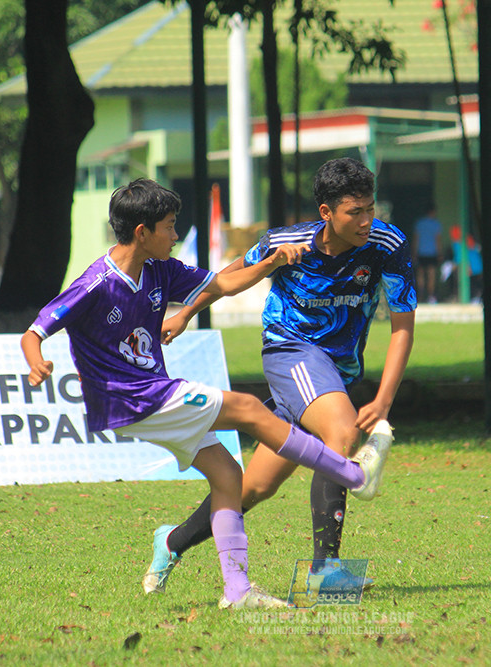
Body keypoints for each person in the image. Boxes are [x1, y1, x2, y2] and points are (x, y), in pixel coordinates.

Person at [19, 178, 392, 610]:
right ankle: (356, 477)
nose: (176, 236)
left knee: (228, 476)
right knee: (250, 408)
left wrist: (271, 262)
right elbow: (36, 330)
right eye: (170, 227)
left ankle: (235, 590)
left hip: (152, 393)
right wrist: (36, 361)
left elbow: (224, 285)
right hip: (135, 398)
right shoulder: (95, 283)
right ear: (142, 232)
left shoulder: (161, 270)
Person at [152, 157, 416, 593]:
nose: (367, 220)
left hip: (337, 371)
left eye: (371, 209)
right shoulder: (287, 241)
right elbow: (227, 277)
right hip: (290, 351)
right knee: (342, 433)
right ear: (326, 213)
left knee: (252, 487)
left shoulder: (387, 244)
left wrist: (384, 399)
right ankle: (326, 572)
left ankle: (172, 540)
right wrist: (184, 315)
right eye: (356, 212)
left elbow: (403, 326)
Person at [412, 203, 443, 303]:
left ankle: (420, 295)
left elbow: (415, 239)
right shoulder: (436, 224)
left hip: (421, 252)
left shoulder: (419, 223)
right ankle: (430, 296)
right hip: (432, 252)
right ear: (433, 212)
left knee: (420, 275)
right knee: (431, 275)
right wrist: (440, 253)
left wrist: (414, 253)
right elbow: (437, 240)